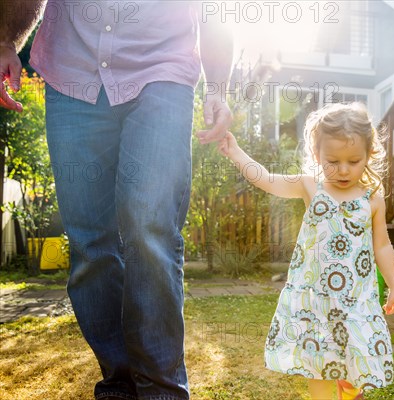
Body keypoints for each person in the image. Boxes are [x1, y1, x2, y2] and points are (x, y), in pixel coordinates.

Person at [0, 1, 233, 399]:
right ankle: (119, 385)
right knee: (90, 244)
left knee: (150, 229)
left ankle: (162, 390)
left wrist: (219, 88)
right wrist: (6, 40)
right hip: (73, 74)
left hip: (163, 68)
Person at [219, 102, 394, 400]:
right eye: (332, 161)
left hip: (355, 303)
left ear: (369, 155)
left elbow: (381, 245)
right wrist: (236, 152)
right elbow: (266, 179)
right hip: (316, 301)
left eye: (353, 161)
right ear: (317, 155)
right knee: (320, 367)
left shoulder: (373, 200)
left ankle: (350, 389)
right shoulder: (310, 186)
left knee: (355, 362)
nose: (343, 170)